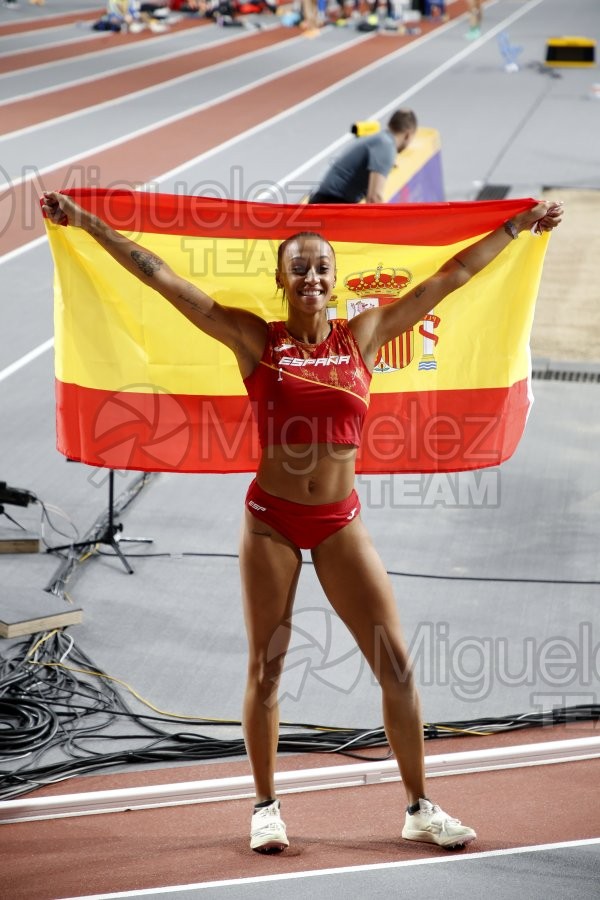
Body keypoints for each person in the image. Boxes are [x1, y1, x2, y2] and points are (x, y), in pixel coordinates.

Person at [42, 190, 563, 853]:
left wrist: (517, 226)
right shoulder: (257, 340)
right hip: (272, 524)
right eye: (300, 268)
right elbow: (161, 278)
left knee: (396, 667)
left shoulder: (365, 335)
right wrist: (88, 224)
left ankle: (419, 806)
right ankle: (265, 807)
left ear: (333, 279)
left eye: (322, 268)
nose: (312, 278)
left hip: (339, 521)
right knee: (268, 668)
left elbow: (450, 278)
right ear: (281, 280)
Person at [308, 109, 417, 204]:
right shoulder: (387, 146)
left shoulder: (380, 139)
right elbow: (374, 198)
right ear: (408, 135)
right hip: (331, 203)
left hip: (326, 200)